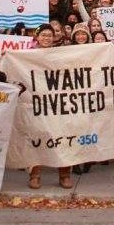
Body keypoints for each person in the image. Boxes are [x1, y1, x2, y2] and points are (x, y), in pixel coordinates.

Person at [28, 24, 73, 190]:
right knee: (37, 138)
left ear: (54, 38)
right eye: (43, 35)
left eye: (49, 35)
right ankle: (35, 175)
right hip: (38, 103)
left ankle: (64, 175)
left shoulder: (60, 54)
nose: (46, 38)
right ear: (37, 37)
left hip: (58, 103)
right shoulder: (27, 55)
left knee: (63, 138)